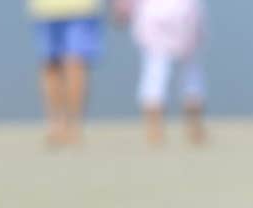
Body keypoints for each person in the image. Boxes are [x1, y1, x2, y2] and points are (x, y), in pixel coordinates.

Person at [113, 0, 207, 145]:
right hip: (186, 15)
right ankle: (194, 126)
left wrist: (122, 9)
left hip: (154, 17)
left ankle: (154, 128)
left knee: (155, 74)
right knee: (190, 74)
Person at [27, 0, 105, 146]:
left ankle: (64, 124)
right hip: (51, 9)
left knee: (67, 63)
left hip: (75, 8)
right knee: (57, 63)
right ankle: (65, 124)